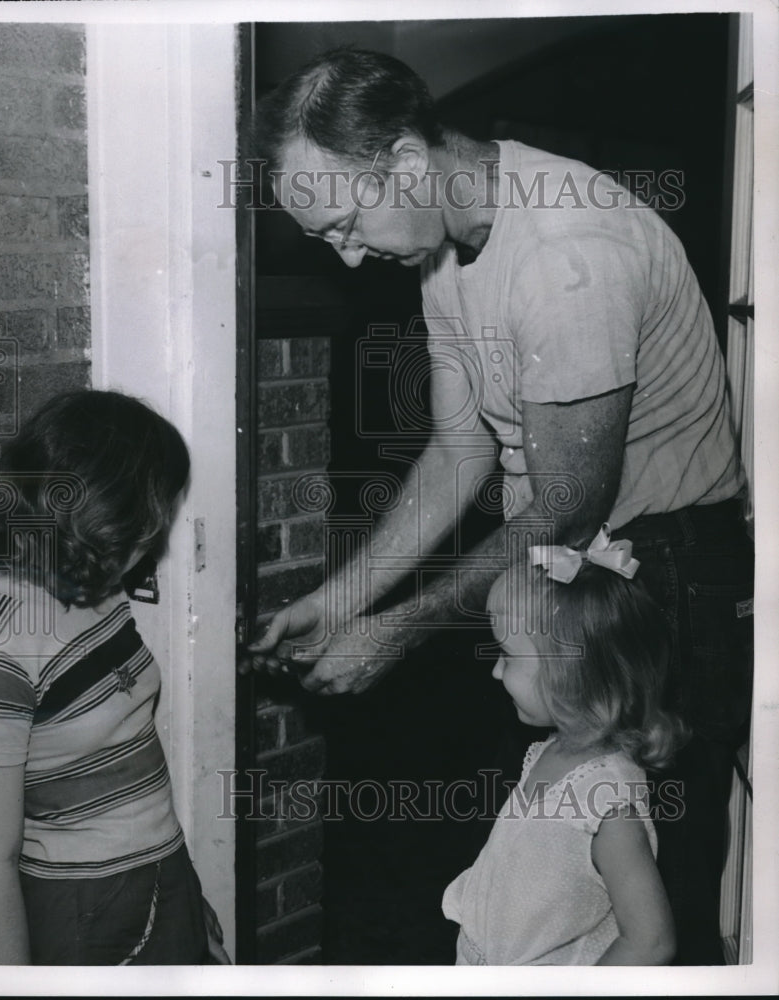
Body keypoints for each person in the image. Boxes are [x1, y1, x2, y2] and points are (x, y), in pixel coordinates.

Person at [247, 48, 754, 963]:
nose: (349, 255)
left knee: (652, 894)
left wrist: (398, 629)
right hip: (569, 556)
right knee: (557, 872)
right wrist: (341, 598)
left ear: (404, 161)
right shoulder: (443, 242)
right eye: (325, 239)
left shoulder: (568, 255)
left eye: (344, 224)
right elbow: (459, 449)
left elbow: (565, 502)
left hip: (662, 570)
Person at [0, 390, 230, 966]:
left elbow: (133, 751)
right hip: (82, 909)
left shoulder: (101, 591)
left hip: (162, 874)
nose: (158, 529)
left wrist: (190, 901)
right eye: (154, 507)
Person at [442, 528, 683, 965]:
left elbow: (651, 941)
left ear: (571, 677)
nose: (496, 673)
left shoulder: (607, 803)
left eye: (509, 657)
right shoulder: (550, 750)